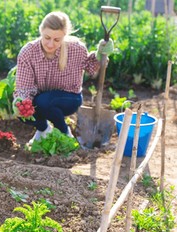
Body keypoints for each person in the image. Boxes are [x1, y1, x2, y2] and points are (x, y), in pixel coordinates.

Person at [13, 11, 114, 145]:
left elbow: (91, 68)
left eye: (57, 40)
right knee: (24, 108)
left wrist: (100, 55)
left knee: (44, 102)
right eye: (47, 37)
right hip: (42, 98)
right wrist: (22, 102)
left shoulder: (76, 49)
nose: (50, 44)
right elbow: (24, 87)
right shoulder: (28, 53)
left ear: (64, 36)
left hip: (70, 99)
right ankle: (44, 129)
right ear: (41, 31)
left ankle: (64, 132)